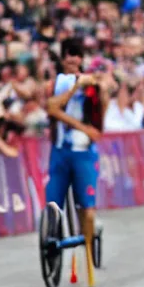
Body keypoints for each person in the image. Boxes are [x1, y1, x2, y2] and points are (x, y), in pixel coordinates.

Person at [45, 40, 114, 243]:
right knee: (52, 203)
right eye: (68, 55)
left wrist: (102, 88)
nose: (72, 59)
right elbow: (52, 108)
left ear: (82, 59)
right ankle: (52, 238)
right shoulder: (54, 84)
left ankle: (90, 239)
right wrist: (76, 86)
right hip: (59, 150)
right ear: (62, 58)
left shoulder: (93, 84)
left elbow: (101, 117)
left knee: (87, 207)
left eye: (76, 55)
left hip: (83, 152)